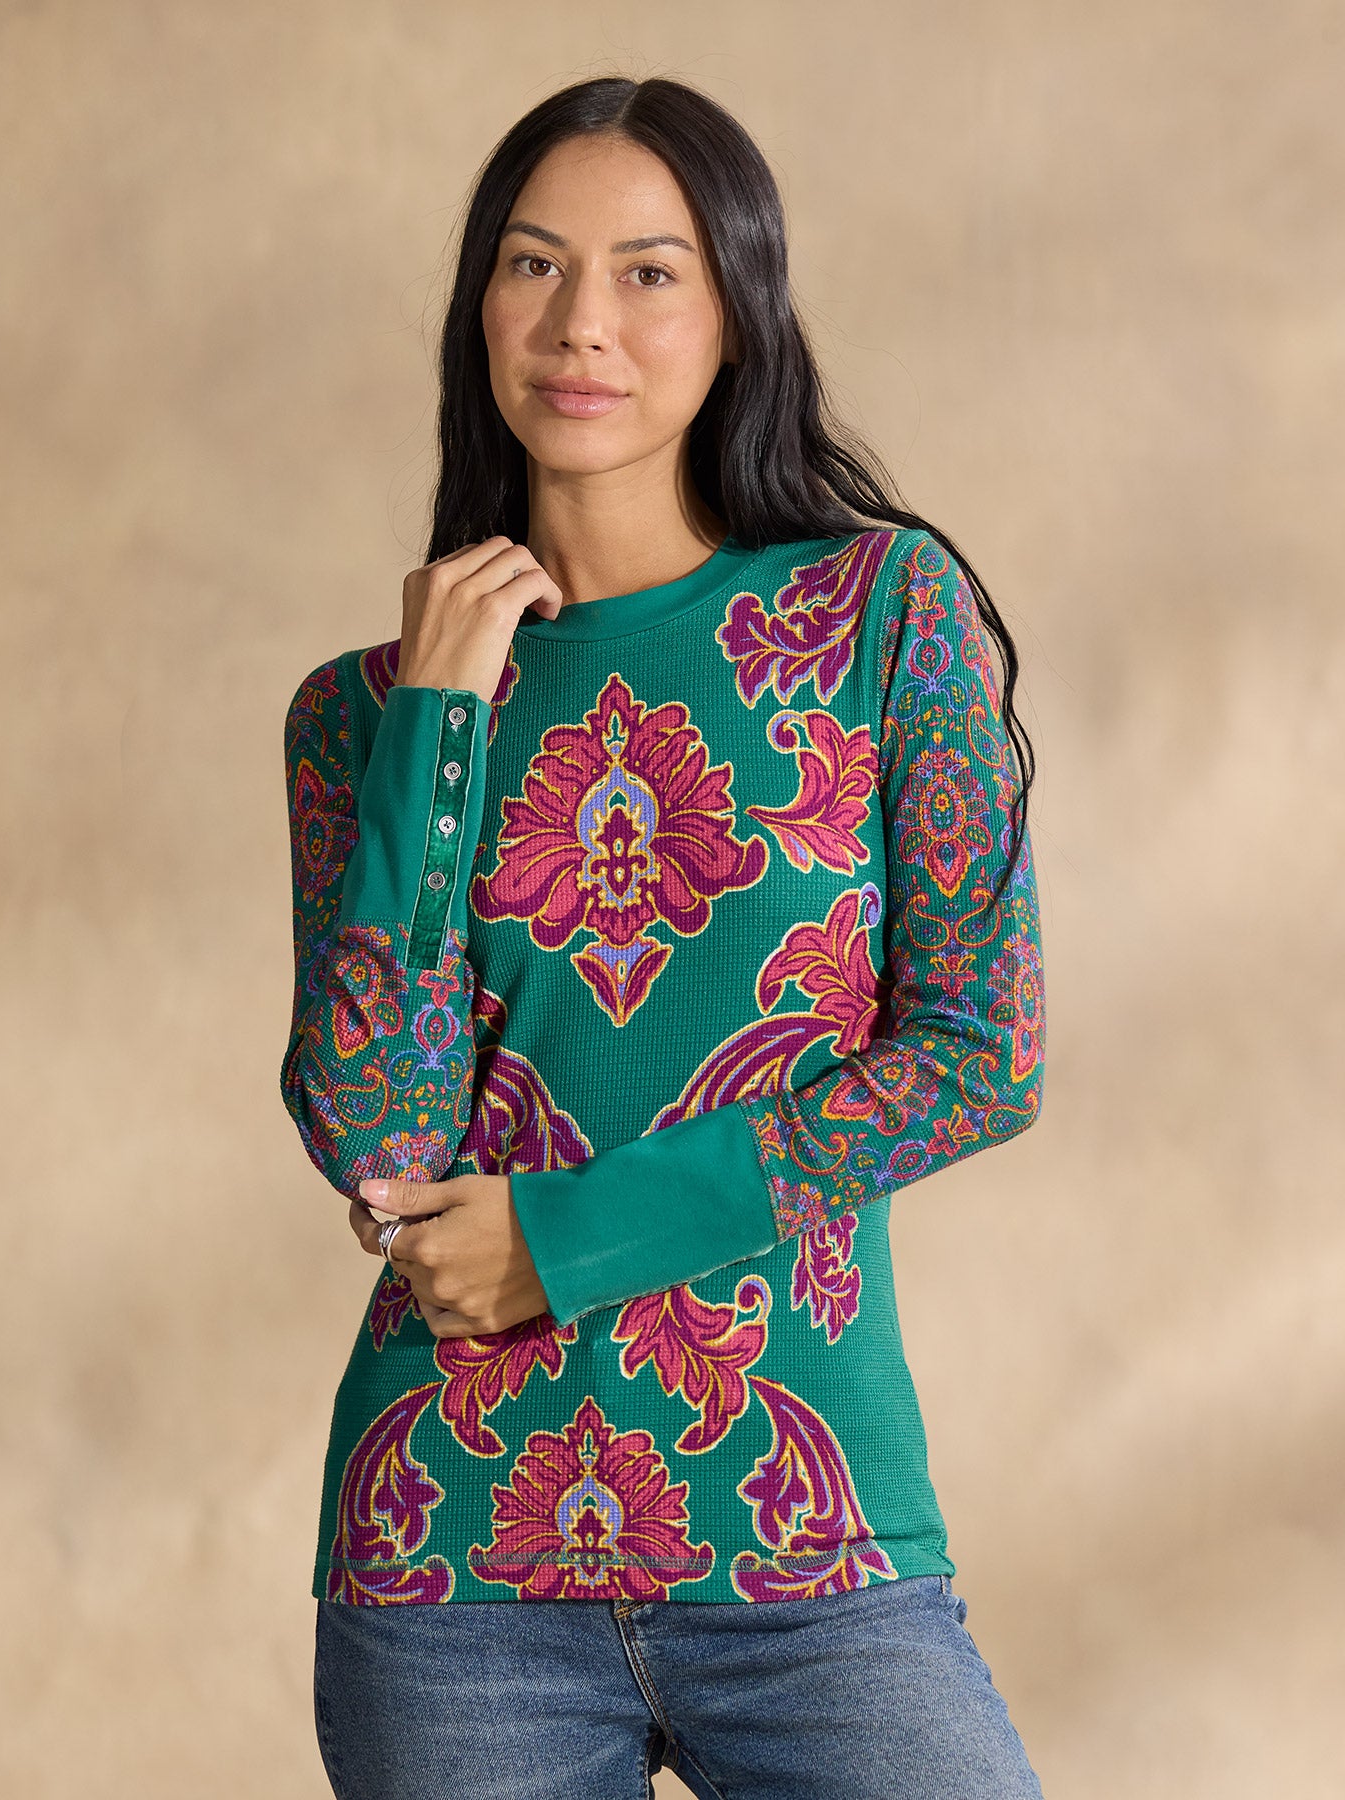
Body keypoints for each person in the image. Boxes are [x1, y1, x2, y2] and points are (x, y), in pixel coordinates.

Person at [280, 72, 1047, 1800]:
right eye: (534, 264)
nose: (582, 324)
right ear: (480, 305)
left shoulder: (880, 617)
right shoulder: (357, 715)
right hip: (451, 1566)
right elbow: (381, 1133)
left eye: (649, 272)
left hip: (808, 1541)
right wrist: (437, 723)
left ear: (736, 314)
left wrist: (571, 1241)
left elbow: (977, 1057)